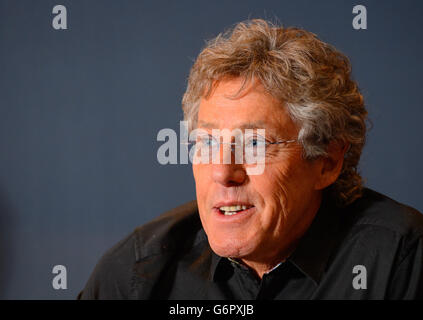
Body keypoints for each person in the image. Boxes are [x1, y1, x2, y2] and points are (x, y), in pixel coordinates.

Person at [78, 19, 423, 300]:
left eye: (255, 144)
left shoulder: (402, 260)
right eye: (207, 142)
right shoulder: (138, 272)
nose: (223, 172)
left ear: (327, 161)